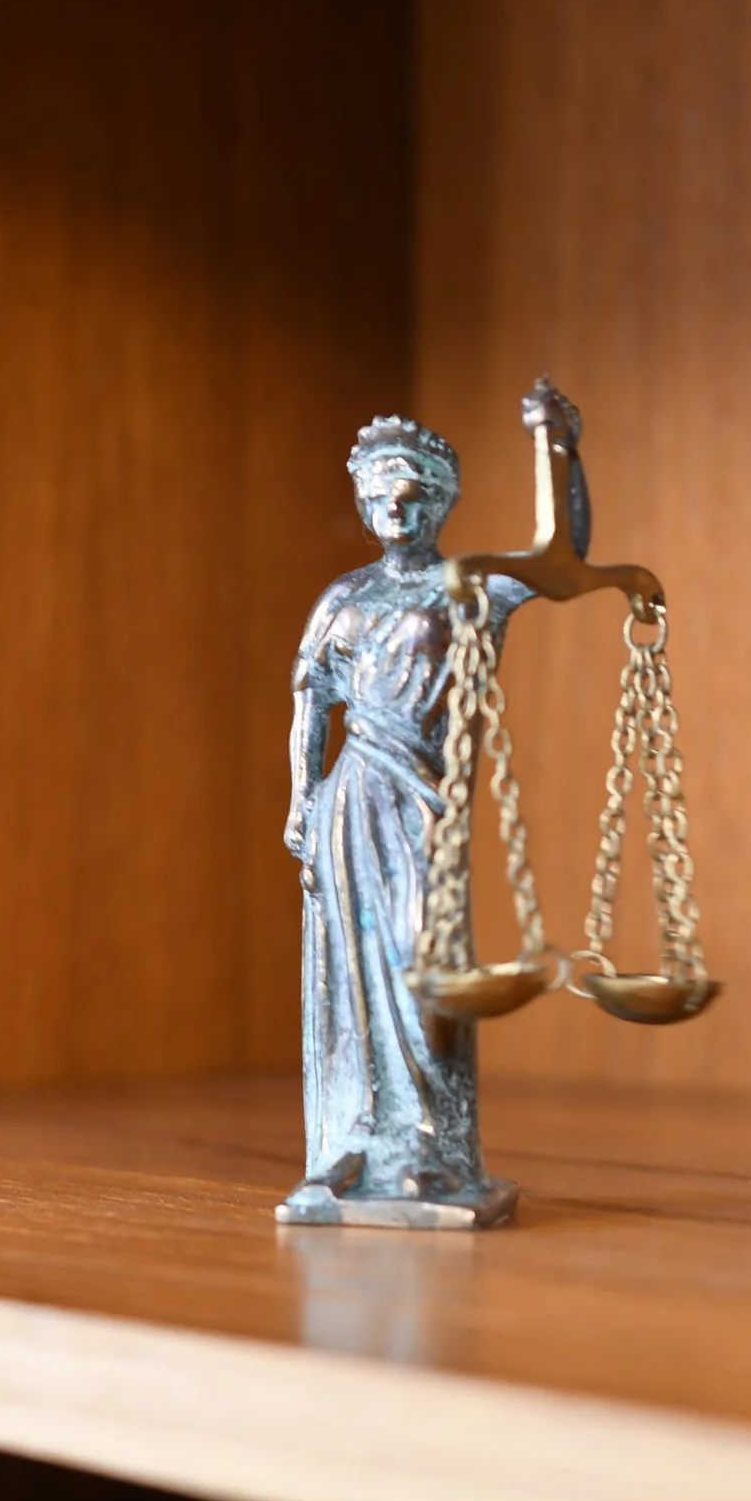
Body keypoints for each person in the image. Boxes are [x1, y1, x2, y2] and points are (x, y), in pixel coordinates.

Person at [277, 397, 589, 1227]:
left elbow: (562, 559)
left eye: (413, 491)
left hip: (420, 804)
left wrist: (556, 448)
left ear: (441, 500)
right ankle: (350, 1144)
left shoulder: (469, 589)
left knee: (425, 960)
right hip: (351, 800)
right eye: (380, 493)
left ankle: (428, 1149)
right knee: (348, 973)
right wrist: (302, 803)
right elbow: (311, 704)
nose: (396, 507)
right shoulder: (343, 599)